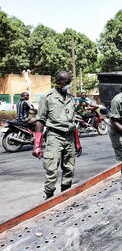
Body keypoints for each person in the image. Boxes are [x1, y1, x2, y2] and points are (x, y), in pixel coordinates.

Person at [32, 71, 82, 199]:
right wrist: (37, 145)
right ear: (58, 83)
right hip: (55, 136)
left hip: (69, 137)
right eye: (66, 83)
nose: (68, 86)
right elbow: (40, 120)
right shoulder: (47, 97)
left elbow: (73, 120)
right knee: (51, 169)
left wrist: (77, 142)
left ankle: (66, 195)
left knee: (69, 169)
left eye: (69, 83)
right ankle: (49, 196)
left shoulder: (70, 98)